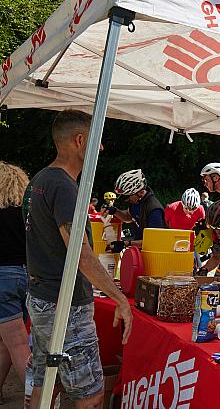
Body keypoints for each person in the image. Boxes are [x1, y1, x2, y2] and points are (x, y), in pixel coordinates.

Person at [23, 110, 132, 408]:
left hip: (44, 297)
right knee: (92, 397)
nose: (101, 149)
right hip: (65, 305)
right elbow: (80, 254)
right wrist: (119, 298)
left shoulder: (40, 181)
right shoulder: (63, 186)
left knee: (47, 384)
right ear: (80, 140)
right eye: (97, 141)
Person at [0, 162, 31, 398]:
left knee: (17, 342)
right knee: (7, 341)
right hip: (29, 277)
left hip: (4, 278)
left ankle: (38, 400)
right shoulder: (27, 214)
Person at [102, 169, 166, 250]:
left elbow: (154, 241)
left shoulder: (154, 210)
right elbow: (128, 217)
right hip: (141, 251)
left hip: (154, 254)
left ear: (139, 192)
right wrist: (114, 211)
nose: (125, 200)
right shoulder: (137, 202)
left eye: (126, 196)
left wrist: (126, 244)